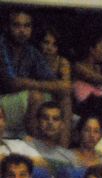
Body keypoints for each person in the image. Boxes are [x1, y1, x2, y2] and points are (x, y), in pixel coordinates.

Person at [0, 8, 71, 139]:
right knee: (35, 96)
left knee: (64, 96)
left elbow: (54, 81)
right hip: (2, 102)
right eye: (16, 25)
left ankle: (63, 147)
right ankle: (37, 145)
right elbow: (12, 83)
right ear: (7, 27)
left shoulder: (30, 51)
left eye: (27, 26)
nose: (22, 30)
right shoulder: (2, 45)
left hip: (17, 101)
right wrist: (49, 86)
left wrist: (61, 83)